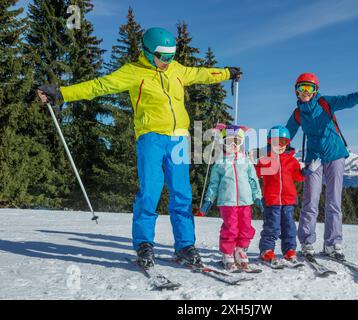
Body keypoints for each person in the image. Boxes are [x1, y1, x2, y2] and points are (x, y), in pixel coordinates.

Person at [37, 27, 242, 269]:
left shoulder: (177, 70)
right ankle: (145, 244)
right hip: (151, 138)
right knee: (149, 192)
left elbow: (201, 73)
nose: (167, 61)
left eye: (171, 56)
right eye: (163, 57)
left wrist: (227, 72)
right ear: (147, 52)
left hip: (178, 140)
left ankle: (186, 245)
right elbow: (100, 86)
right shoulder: (133, 72)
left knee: (182, 195)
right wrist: (63, 94)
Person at [285, 73, 358, 260]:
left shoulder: (326, 103)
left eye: (308, 88)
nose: (304, 92)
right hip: (313, 160)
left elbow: (352, 99)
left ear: (315, 90)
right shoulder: (297, 114)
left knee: (333, 201)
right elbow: (285, 135)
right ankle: (307, 242)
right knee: (310, 201)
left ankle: (333, 243)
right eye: (301, 88)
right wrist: (275, 150)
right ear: (296, 91)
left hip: (335, 155)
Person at [199, 124, 263, 272]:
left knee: (245, 227)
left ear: (241, 143)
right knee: (231, 227)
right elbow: (214, 184)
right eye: (229, 141)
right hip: (227, 201)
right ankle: (227, 253)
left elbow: (253, 180)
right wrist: (209, 200)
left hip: (245, 201)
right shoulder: (220, 162)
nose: (233, 145)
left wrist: (258, 196)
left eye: (237, 141)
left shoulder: (246, 161)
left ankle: (240, 250)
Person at [256, 126, 321, 266]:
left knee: (289, 227)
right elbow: (257, 173)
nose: (279, 146)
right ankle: (266, 250)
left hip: (288, 201)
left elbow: (298, 177)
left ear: (287, 144)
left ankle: (289, 250)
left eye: (283, 142)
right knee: (272, 227)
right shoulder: (265, 160)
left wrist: (307, 171)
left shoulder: (291, 161)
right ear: (269, 142)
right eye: (275, 142)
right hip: (272, 200)